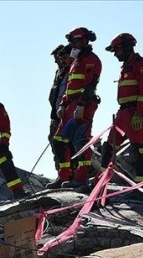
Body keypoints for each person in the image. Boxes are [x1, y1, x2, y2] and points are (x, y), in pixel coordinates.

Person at [48, 27, 102, 191]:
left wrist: (80, 105)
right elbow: (69, 87)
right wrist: (63, 105)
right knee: (58, 141)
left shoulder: (91, 60)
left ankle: (81, 178)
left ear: (86, 40)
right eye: (71, 41)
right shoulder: (76, 61)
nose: (72, 44)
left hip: (82, 104)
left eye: (75, 40)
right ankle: (64, 176)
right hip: (70, 105)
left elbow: (90, 85)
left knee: (80, 142)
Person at [102, 33, 143, 183]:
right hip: (122, 112)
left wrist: (139, 113)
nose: (115, 55)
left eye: (116, 50)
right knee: (108, 146)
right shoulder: (126, 67)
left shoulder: (142, 64)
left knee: (138, 149)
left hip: (134, 113)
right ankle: (100, 182)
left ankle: (141, 186)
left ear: (126, 47)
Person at [48, 44, 73, 172]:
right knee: (54, 141)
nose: (56, 61)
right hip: (56, 114)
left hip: (67, 114)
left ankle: (70, 173)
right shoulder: (59, 73)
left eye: (58, 58)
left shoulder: (71, 70)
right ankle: (60, 172)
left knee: (66, 143)